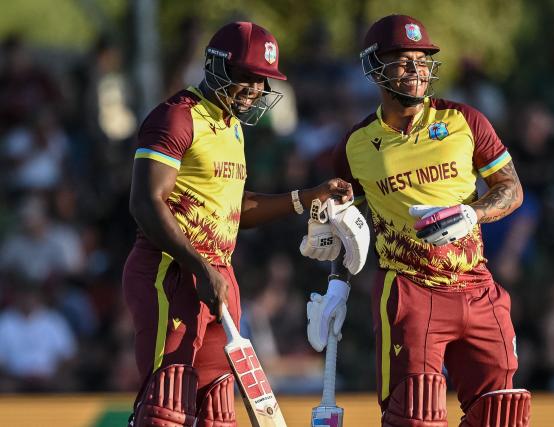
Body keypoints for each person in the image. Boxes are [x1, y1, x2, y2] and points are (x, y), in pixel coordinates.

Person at [304, 14, 531, 427]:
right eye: (403, 61)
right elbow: (340, 223)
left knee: (502, 412)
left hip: (477, 285)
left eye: (422, 60)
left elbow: (512, 189)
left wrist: (471, 213)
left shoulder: (465, 121)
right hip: (409, 291)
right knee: (415, 415)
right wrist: (338, 284)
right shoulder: (354, 146)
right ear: (375, 67)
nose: (416, 71)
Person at [122, 21, 353, 427]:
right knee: (167, 408)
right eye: (246, 77)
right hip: (168, 272)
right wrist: (198, 267)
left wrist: (306, 197)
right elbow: (145, 201)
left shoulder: (232, 127)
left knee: (218, 412)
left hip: (218, 274)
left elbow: (236, 208)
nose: (255, 90)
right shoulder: (175, 117)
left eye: (262, 80)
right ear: (216, 66)